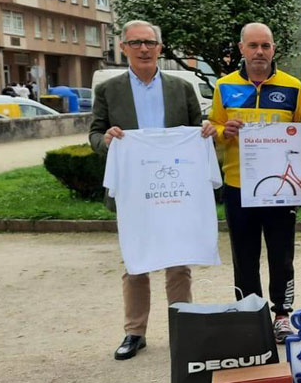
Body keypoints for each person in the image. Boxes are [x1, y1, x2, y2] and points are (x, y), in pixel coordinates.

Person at [89, 19, 214, 360]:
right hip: (134, 190)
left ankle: (183, 326)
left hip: (174, 186)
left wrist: (203, 132)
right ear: (124, 48)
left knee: (178, 259)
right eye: (135, 43)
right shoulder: (109, 90)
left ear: (160, 48)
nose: (143, 49)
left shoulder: (180, 87)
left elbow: (194, 129)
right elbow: (95, 134)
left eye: (149, 42)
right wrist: (107, 141)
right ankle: (134, 331)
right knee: (136, 260)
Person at [208, 22, 301, 343]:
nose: (259, 52)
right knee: (244, 255)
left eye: (265, 46)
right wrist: (225, 132)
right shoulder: (223, 86)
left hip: (281, 187)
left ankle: (282, 313)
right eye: (253, 46)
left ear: (273, 49)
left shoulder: (293, 87)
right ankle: (250, 313)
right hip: (238, 185)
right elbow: (213, 127)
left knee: (282, 255)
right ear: (241, 49)